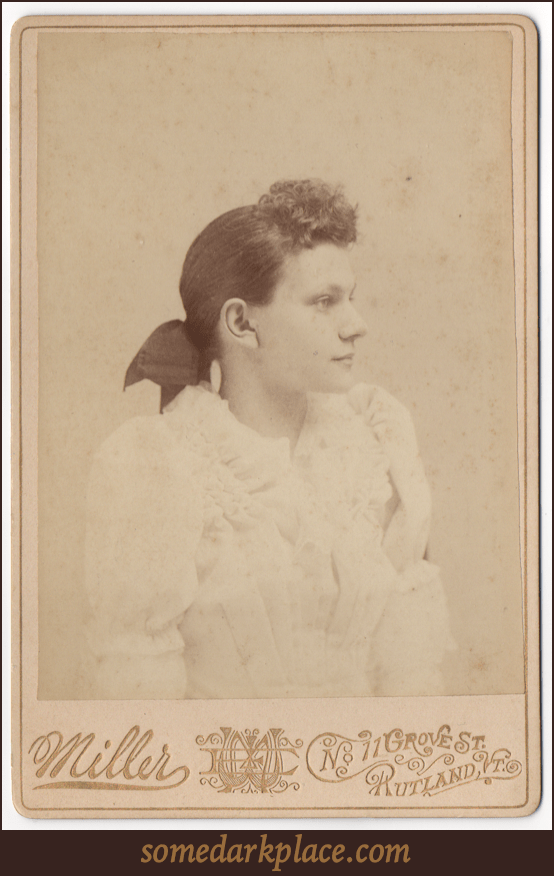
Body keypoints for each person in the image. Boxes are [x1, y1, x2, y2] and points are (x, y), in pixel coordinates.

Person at [84, 179, 455, 700]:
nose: (357, 325)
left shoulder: (374, 446)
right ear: (241, 322)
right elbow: (141, 710)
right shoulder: (159, 466)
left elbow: (411, 678)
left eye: (350, 298)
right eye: (324, 301)